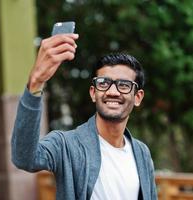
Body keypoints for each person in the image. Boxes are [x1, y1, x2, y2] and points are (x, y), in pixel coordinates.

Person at [11, 33, 157, 200]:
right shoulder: (65, 144)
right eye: (104, 83)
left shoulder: (141, 152)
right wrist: (36, 82)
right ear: (93, 93)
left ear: (137, 97)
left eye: (123, 85)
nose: (112, 91)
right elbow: (24, 158)